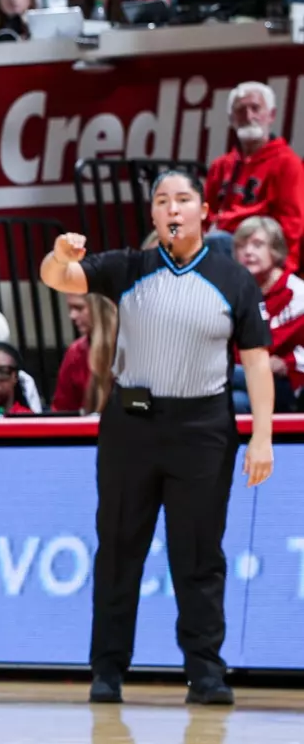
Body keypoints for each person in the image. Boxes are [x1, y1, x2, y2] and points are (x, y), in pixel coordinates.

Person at [42, 174, 275, 706]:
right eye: (162, 201)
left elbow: (257, 363)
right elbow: (59, 278)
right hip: (132, 426)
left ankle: (206, 672)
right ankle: (107, 669)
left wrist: (262, 436)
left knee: (198, 554)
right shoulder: (130, 267)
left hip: (203, 430)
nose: (173, 208)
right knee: (120, 547)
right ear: (152, 215)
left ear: (204, 211)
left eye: (183, 200)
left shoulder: (233, 279)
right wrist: (59, 255)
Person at [204, 80, 304, 264]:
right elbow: (204, 218)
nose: (249, 116)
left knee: (216, 242)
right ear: (231, 119)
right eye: (241, 111)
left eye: (255, 108)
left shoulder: (288, 163)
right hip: (220, 252)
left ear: (271, 115)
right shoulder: (220, 166)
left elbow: (291, 228)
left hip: (264, 260)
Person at [232, 215, 304, 411]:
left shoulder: (297, 294)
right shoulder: (234, 292)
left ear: (275, 250)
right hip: (245, 379)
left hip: (288, 383)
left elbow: (265, 346)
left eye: (257, 245)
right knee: (236, 402)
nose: (248, 252)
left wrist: (286, 362)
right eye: (241, 246)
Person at [51, 293, 118, 414]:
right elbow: (62, 411)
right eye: (70, 309)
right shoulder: (75, 353)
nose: (72, 316)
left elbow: (142, 403)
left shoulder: (132, 347)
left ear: (100, 308)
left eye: (79, 308)